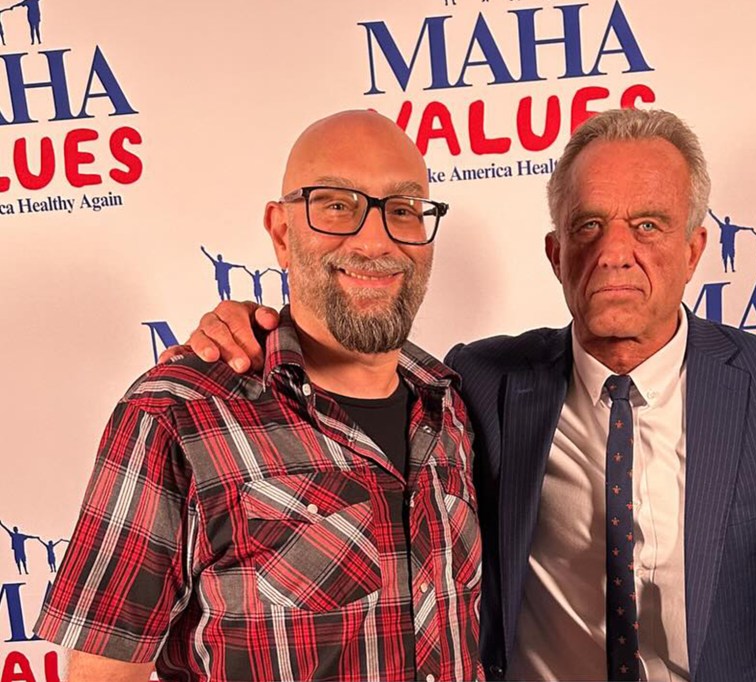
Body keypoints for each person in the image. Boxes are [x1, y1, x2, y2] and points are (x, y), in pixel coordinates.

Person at [170, 108, 756, 681]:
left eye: (648, 225)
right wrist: (262, 330)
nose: (616, 251)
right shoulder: (473, 385)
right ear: (556, 254)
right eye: (588, 226)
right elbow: (347, 364)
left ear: (694, 248)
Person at [34, 110, 483, 682]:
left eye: (402, 209)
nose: (376, 240)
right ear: (280, 233)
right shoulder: (177, 415)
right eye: (338, 205)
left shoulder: (450, 408)